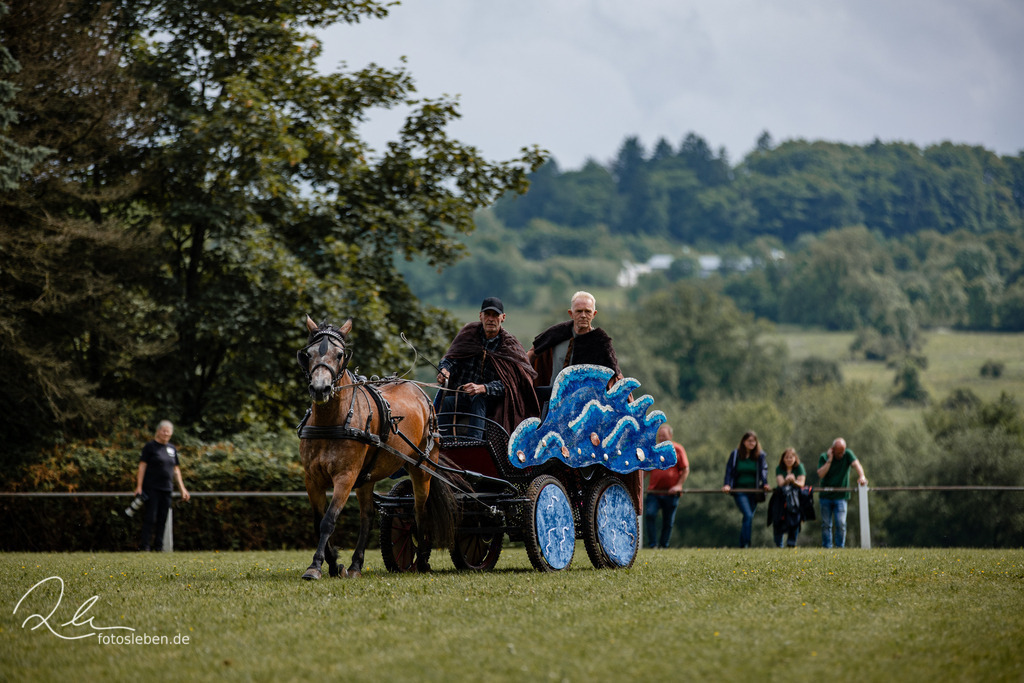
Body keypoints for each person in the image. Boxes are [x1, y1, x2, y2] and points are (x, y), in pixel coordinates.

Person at [436, 297, 539, 439]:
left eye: (495, 315)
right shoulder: (468, 334)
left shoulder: (510, 346)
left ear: (503, 318)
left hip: (494, 402)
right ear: (480, 316)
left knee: (479, 399)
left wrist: (484, 388)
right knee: (447, 403)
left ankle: (474, 444)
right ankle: (440, 443)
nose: (491, 319)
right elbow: (451, 359)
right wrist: (445, 370)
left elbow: (512, 384)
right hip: (464, 396)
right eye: (487, 314)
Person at [527, 290, 623, 397]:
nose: (583, 315)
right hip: (553, 399)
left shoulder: (601, 342)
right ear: (571, 314)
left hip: (586, 403)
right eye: (579, 311)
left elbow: (615, 377)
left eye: (587, 311)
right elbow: (532, 354)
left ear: (594, 314)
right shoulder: (556, 334)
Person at [134, 420, 190, 551]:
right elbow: (142, 467)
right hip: (151, 488)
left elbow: (176, 470)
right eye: (164, 430)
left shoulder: (172, 448)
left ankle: (158, 547)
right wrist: (139, 486)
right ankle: (145, 546)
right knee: (150, 517)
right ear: (158, 431)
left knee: (162, 518)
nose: (166, 433)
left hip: (167, 488)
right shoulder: (150, 447)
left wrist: (182, 489)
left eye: (168, 431)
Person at [721, 431, 770, 548]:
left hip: (755, 492)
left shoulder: (760, 456)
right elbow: (729, 471)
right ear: (744, 442)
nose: (752, 443)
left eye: (754, 441)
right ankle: (746, 544)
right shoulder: (736, 454)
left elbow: (763, 471)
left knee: (748, 518)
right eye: (749, 441)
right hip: (739, 491)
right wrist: (727, 484)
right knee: (748, 515)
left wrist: (765, 484)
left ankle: (742, 545)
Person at [644, 424, 689, 548]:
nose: (661, 438)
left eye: (664, 436)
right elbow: (646, 470)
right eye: (659, 436)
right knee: (650, 515)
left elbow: (685, 469)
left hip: (671, 493)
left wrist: (678, 486)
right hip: (654, 492)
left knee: (668, 522)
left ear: (671, 436)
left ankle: (664, 546)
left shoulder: (678, 449)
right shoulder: (653, 450)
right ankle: (653, 544)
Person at [817, 437, 867, 548]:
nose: (841, 455)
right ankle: (827, 546)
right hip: (825, 496)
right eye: (838, 452)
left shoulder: (847, 454)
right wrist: (830, 460)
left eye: (842, 452)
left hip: (841, 496)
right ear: (832, 449)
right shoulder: (824, 457)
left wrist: (862, 476)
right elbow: (821, 474)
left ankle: (840, 547)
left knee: (841, 523)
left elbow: (857, 464)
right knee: (826, 524)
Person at [771, 448, 806, 548]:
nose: (789, 459)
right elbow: (780, 483)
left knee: (794, 520)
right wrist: (787, 481)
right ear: (783, 459)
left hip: (795, 500)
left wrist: (793, 481)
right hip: (781, 498)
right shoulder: (779, 468)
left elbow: (801, 483)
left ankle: (791, 544)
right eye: (786, 457)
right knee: (778, 520)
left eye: (791, 457)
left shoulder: (800, 467)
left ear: (795, 458)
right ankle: (779, 545)